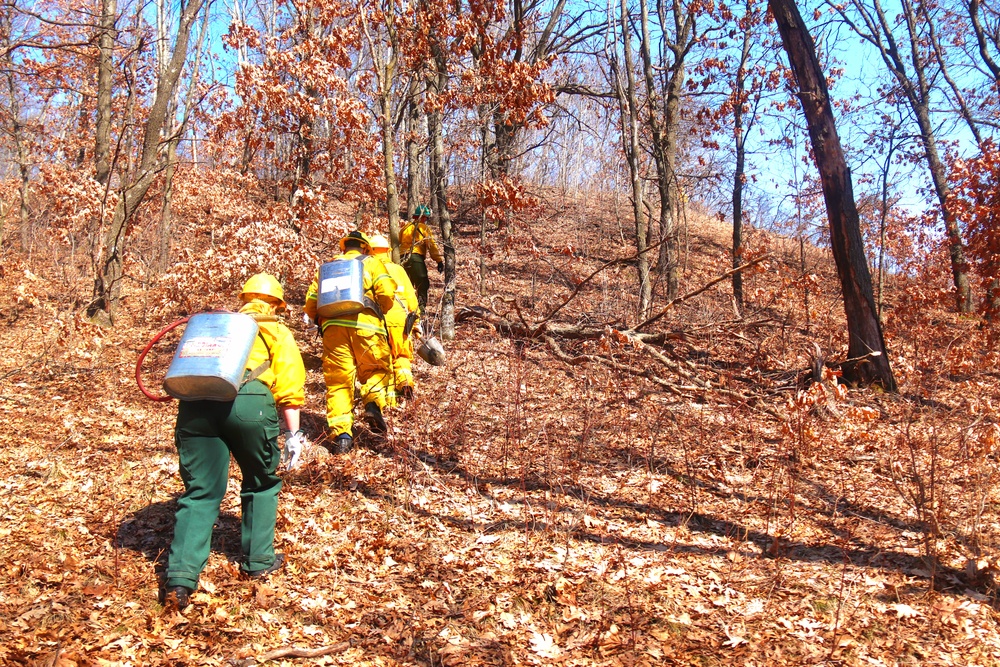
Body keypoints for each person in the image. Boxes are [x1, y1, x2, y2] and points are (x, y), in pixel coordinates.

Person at [163, 273, 306, 611]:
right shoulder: (275, 330)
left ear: (244, 299)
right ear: (277, 305)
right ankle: (258, 562)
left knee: (200, 492)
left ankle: (179, 580)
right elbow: (289, 388)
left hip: (196, 404)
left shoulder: (218, 327)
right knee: (261, 481)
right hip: (250, 403)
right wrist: (293, 435)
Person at [304, 231, 397, 453]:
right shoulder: (373, 263)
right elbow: (386, 294)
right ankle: (373, 402)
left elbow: (311, 304)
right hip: (367, 327)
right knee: (377, 369)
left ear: (343, 248)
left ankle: (343, 437)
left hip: (334, 330)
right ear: (365, 248)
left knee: (338, 381)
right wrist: (379, 310)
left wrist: (323, 319)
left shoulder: (327, 268)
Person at [368, 233, 420, 404]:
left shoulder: (368, 269)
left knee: (384, 360)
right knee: (401, 356)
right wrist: (416, 322)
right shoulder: (399, 270)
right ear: (388, 251)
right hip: (401, 321)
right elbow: (412, 299)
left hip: (378, 320)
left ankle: (389, 401)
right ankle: (406, 383)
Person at [399, 204, 444, 314]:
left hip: (402, 258)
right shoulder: (424, 228)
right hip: (415, 258)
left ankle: (405, 310)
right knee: (422, 283)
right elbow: (431, 245)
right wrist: (438, 260)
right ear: (422, 217)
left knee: (407, 284)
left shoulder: (404, 228)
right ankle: (420, 310)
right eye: (426, 218)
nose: (426, 220)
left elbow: (398, 242)